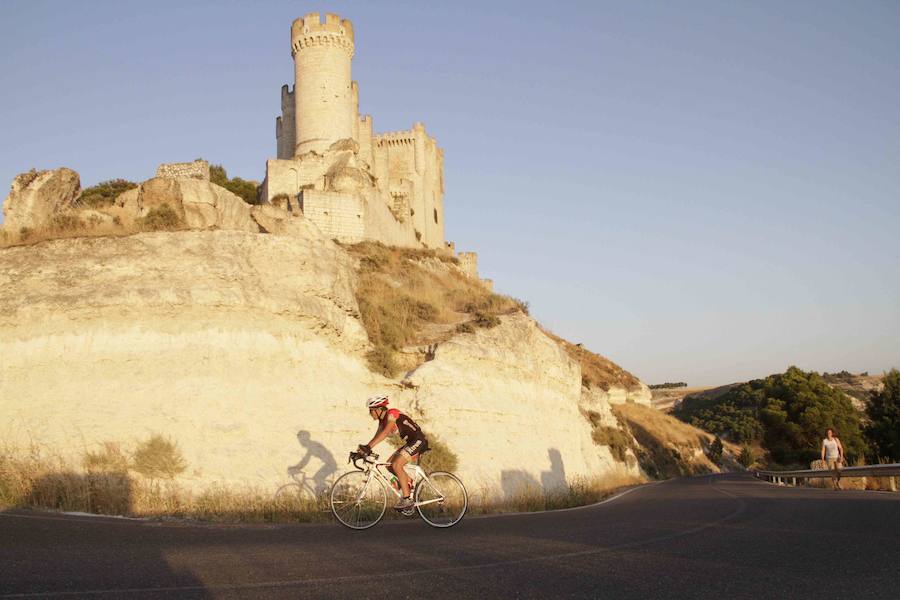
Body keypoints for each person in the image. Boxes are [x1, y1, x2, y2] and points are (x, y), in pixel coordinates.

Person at [358, 395, 429, 510]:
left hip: (418, 441)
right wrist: (365, 448)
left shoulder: (392, 413)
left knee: (397, 465)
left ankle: (407, 500)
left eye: (371, 411)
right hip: (410, 442)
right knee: (390, 465)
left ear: (378, 409)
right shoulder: (382, 421)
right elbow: (377, 437)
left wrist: (368, 447)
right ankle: (409, 483)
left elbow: (386, 432)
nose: (370, 414)